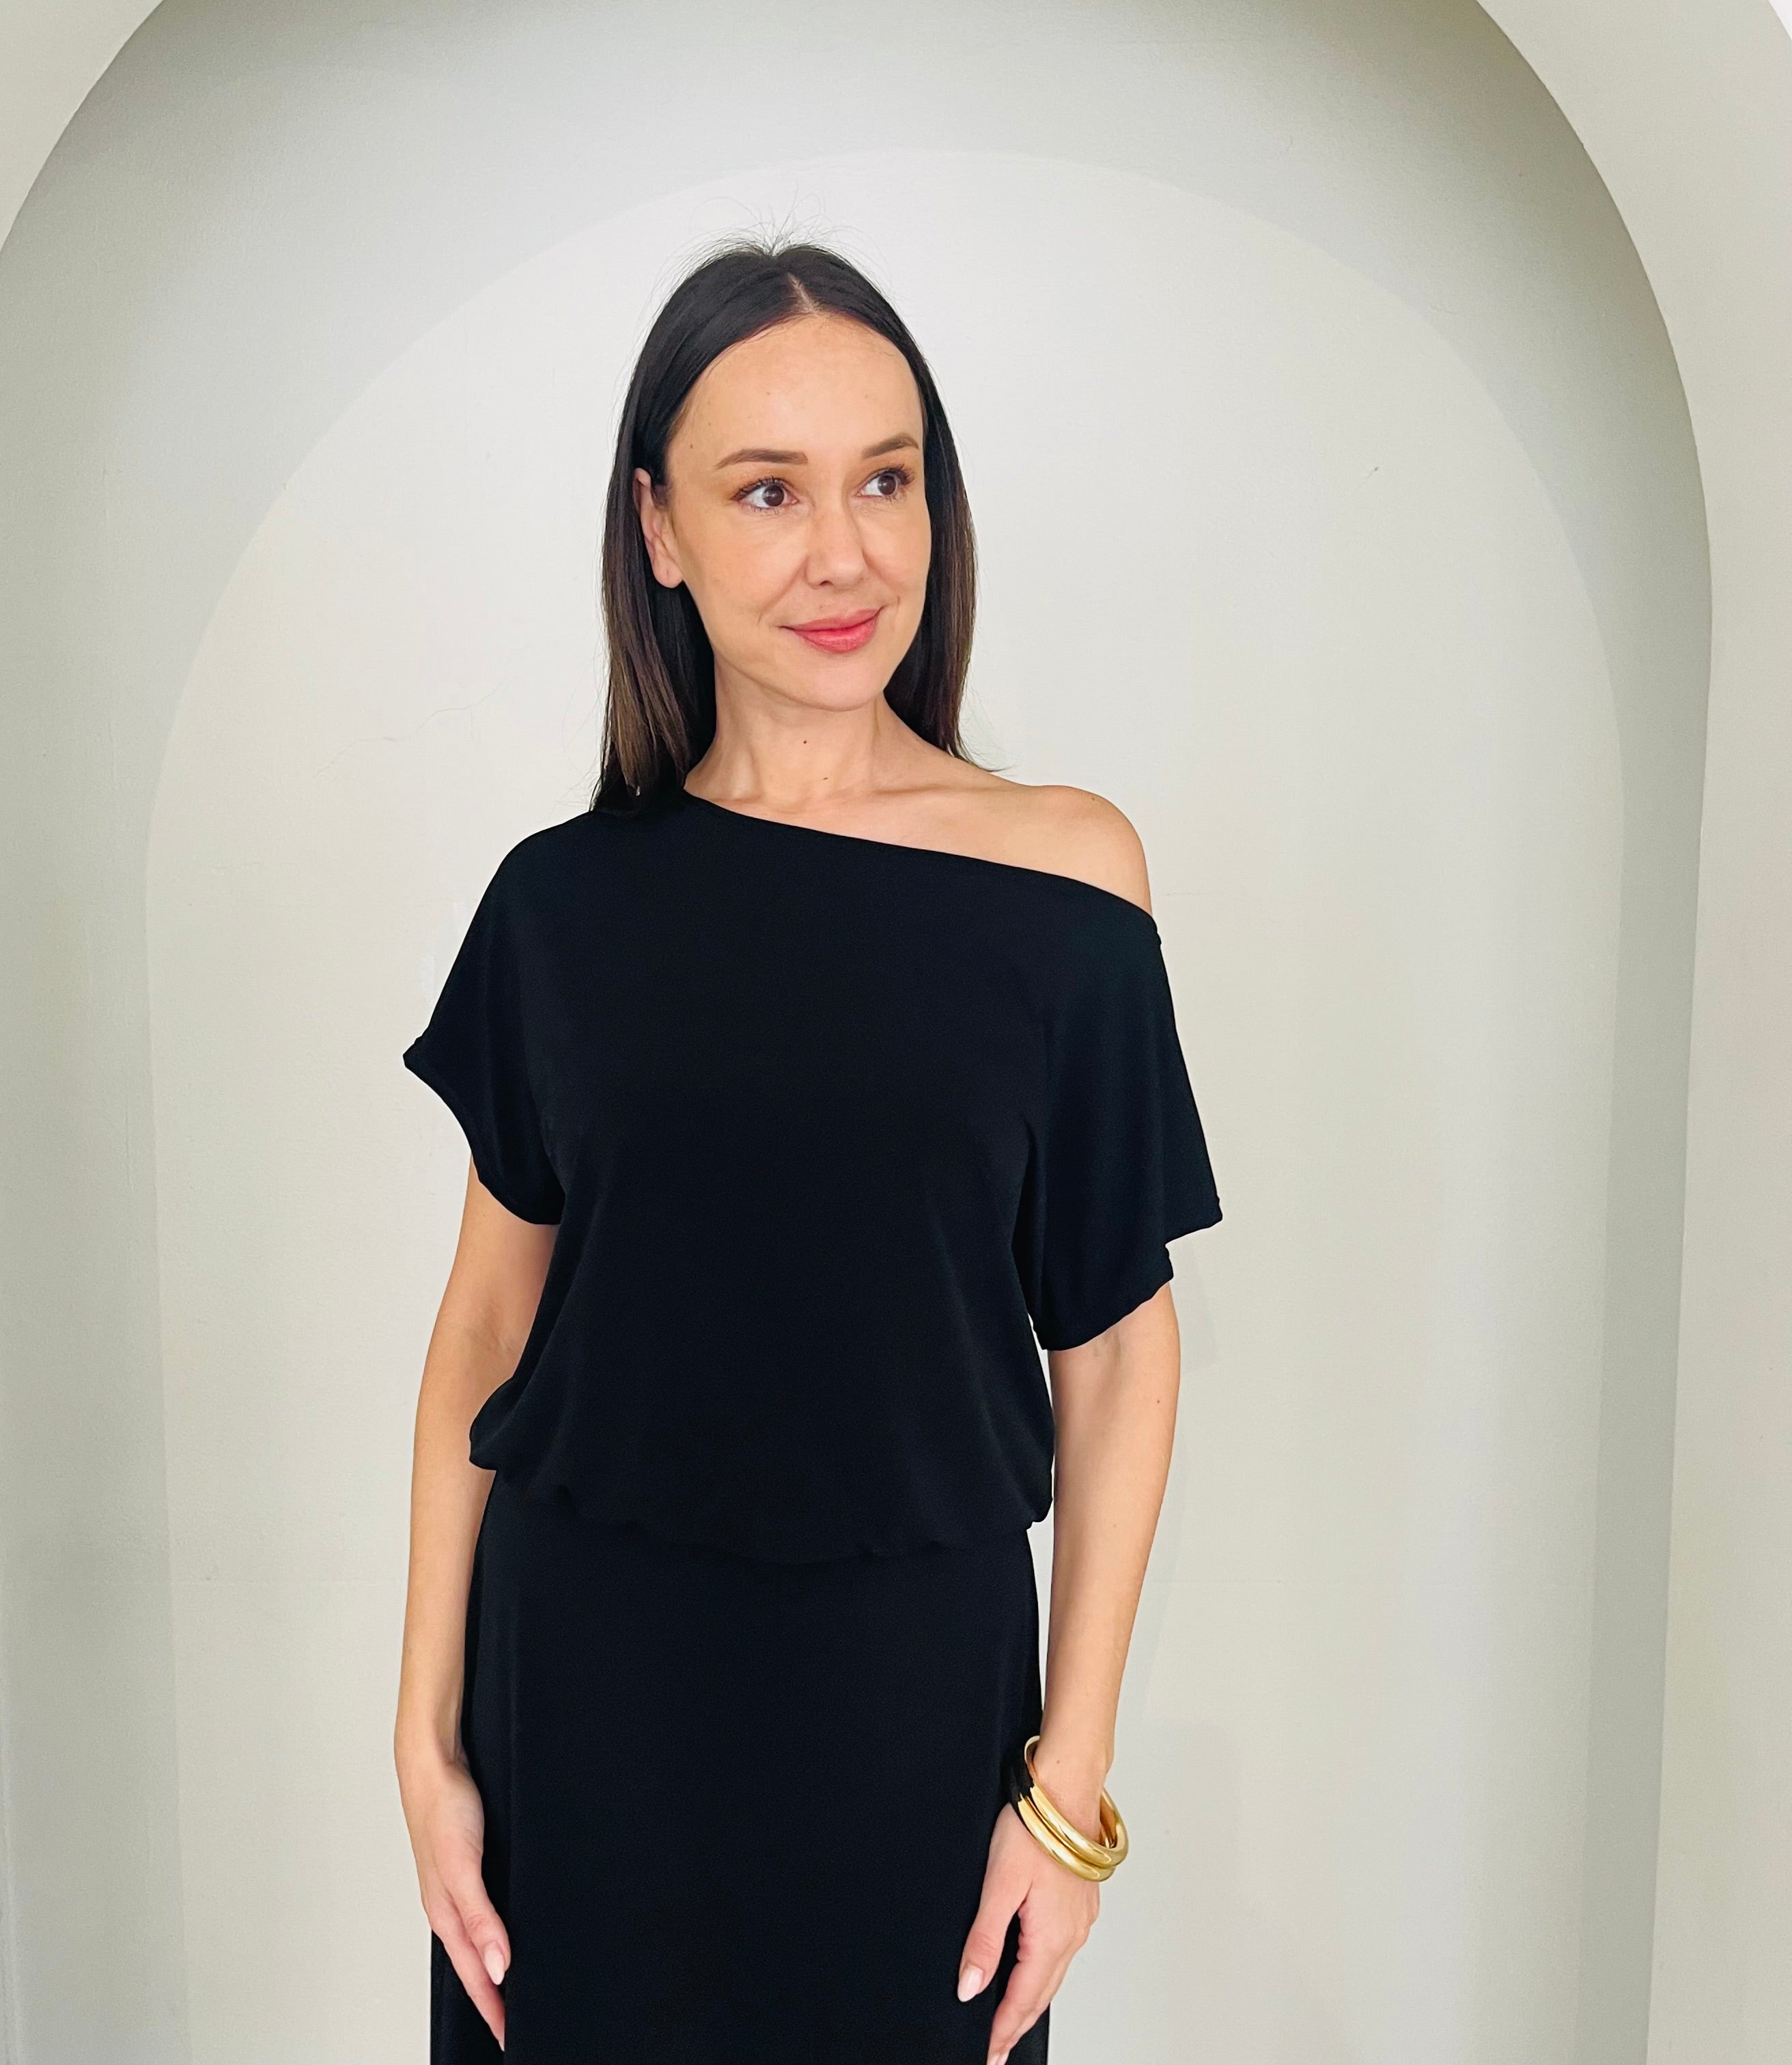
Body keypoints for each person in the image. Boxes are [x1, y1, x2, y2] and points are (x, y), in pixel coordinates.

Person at [392, 234, 1222, 2065]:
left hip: (912, 1724)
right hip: (581, 1705)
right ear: (661, 531)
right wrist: (427, 1736)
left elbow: (1116, 1348)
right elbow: (485, 1332)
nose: (845, 553)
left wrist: (1068, 1794)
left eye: (887, 480)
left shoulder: (1069, 881)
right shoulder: (560, 911)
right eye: (766, 491)